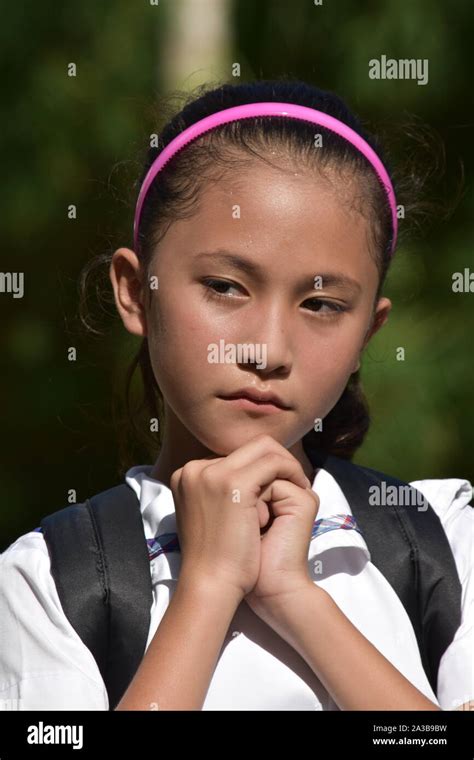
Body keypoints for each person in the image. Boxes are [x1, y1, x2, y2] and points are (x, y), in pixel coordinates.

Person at [0, 79, 472, 712]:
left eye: (322, 304)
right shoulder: (53, 581)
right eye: (225, 287)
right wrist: (208, 586)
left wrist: (296, 600)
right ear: (137, 292)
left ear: (368, 331)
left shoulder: (442, 543)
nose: (268, 350)